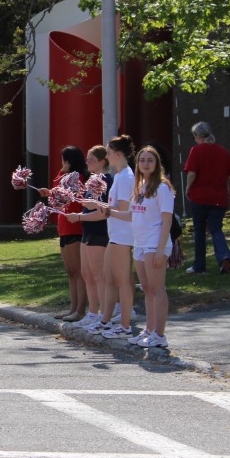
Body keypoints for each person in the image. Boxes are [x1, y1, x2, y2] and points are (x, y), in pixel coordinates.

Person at [87, 145, 175, 348]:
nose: (145, 164)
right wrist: (108, 210)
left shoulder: (163, 188)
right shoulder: (140, 187)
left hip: (155, 244)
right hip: (140, 244)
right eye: (142, 160)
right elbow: (131, 215)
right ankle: (149, 330)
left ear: (157, 163)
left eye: (150, 160)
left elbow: (167, 221)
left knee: (157, 288)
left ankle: (159, 335)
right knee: (147, 289)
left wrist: (160, 250)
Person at [85, 135, 138, 341]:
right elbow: (115, 207)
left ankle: (124, 326)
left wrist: (100, 207)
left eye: (108, 152)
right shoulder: (121, 175)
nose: (106, 156)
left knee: (122, 281)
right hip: (115, 234)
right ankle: (105, 320)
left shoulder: (125, 177)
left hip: (123, 235)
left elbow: (122, 209)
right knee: (109, 279)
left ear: (118, 154)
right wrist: (98, 205)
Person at [39, 146, 89, 322]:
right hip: (64, 228)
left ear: (68, 161)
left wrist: (61, 174)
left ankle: (80, 310)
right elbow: (56, 197)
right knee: (70, 271)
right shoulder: (64, 178)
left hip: (75, 228)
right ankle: (72, 308)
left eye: (63, 160)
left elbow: (64, 196)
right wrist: (51, 189)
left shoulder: (78, 177)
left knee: (78, 271)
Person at [183, 121, 230, 275]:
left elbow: (192, 173)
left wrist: (187, 188)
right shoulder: (222, 151)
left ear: (197, 136)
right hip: (219, 197)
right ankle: (224, 257)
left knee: (199, 230)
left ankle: (199, 265)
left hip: (199, 197)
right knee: (216, 229)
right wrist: (229, 189)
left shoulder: (196, 150)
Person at [66, 146, 112, 331]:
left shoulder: (106, 180)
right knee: (86, 273)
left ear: (102, 161)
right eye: (87, 159)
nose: (87, 162)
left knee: (98, 275)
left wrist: (79, 217)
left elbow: (103, 212)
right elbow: (88, 205)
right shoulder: (93, 180)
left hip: (100, 231)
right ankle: (92, 313)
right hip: (88, 231)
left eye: (91, 159)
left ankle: (103, 315)